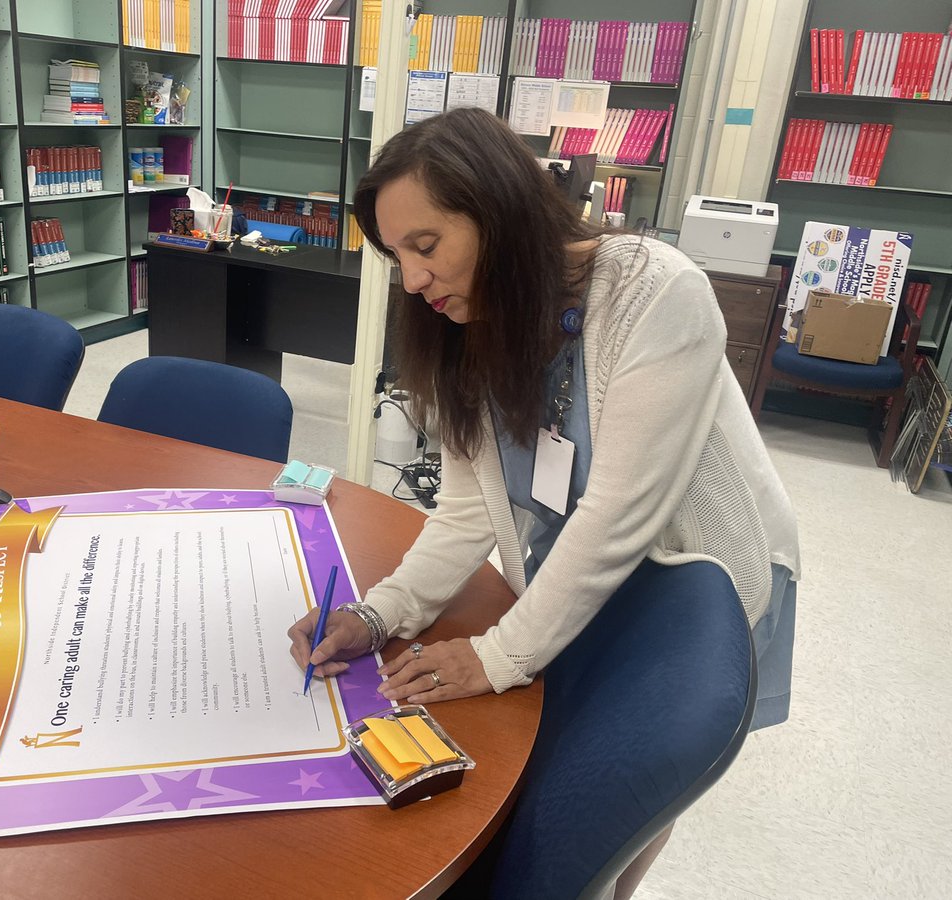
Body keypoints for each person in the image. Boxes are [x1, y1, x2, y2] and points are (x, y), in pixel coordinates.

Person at [286, 107, 800, 899]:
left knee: (635, 780)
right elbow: (465, 512)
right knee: (572, 772)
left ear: (501, 214)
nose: (413, 278)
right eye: (398, 257)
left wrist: (499, 655)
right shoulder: (470, 323)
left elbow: (620, 511)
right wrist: (381, 614)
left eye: (427, 246)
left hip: (699, 578)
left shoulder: (654, 291)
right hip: (583, 568)